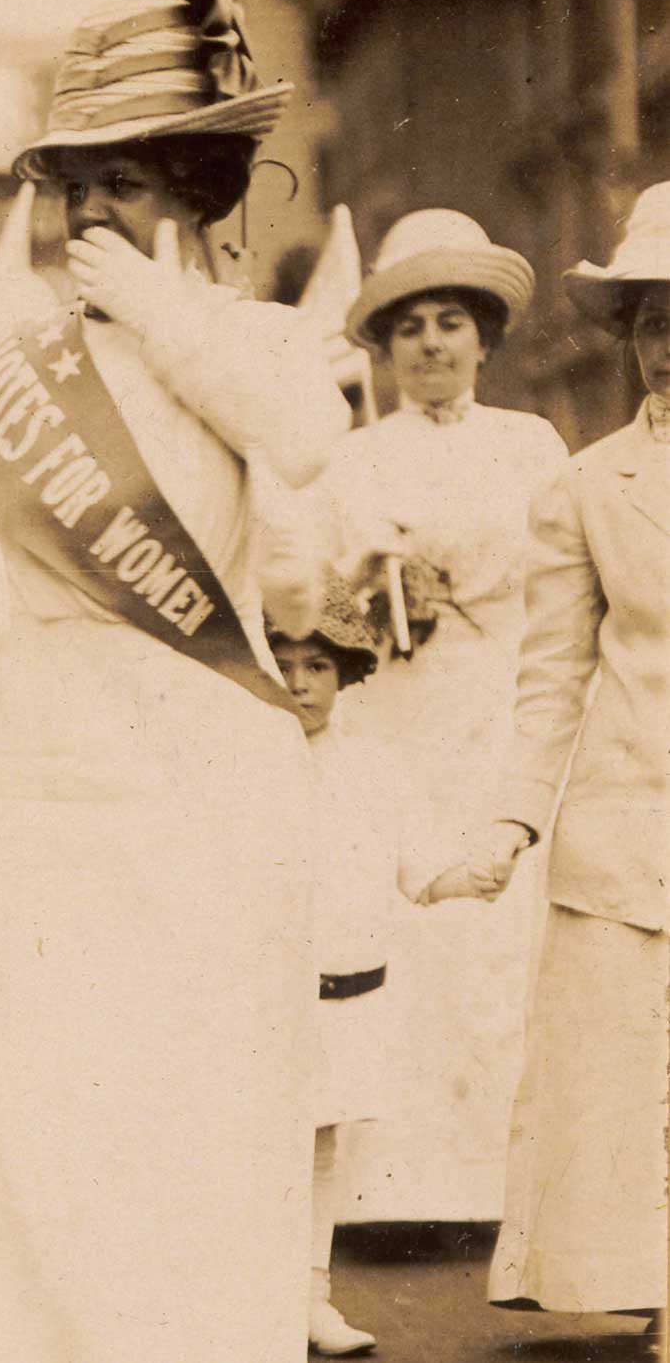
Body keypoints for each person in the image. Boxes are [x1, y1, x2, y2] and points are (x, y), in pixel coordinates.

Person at [0, 0, 349, 1362]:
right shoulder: (11, 365)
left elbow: (306, 442)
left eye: (121, 181)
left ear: (190, 188)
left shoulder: (244, 339)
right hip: (52, 770)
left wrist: (162, 309)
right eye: (74, 184)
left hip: (209, 769)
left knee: (204, 1106)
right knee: (51, 1111)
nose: (88, 211)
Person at [420, 181, 670, 1329]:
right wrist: (509, 824)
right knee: (623, 1091)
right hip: (624, 825)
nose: (665, 343)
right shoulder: (584, 486)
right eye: (649, 317)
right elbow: (551, 679)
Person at [318, 208, 571, 1223]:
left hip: (504, 703)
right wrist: (373, 587)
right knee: (410, 921)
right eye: (409, 325)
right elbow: (321, 603)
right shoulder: (351, 458)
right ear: (382, 344)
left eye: (449, 323)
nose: (429, 344)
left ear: (483, 337)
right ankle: (399, 1187)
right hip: (397, 712)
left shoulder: (533, 443)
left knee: (506, 933)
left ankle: (508, 1182)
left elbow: (566, 582)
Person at [268, 582, 412, 1357]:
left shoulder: (369, 764)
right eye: (282, 663)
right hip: (257, 994)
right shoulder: (242, 759)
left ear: (346, 673)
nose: (298, 683)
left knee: (321, 1141)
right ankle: (241, 1296)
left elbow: (409, 863)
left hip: (338, 988)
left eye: (317, 665)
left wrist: (472, 866)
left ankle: (309, 1296)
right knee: (255, 1142)